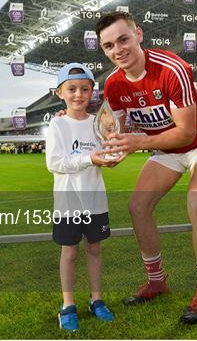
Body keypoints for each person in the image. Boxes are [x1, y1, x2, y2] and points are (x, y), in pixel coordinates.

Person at [96, 11, 197, 324]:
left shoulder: (172, 68)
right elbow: (120, 128)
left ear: (138, 34)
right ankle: (156, 281)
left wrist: (137, 143)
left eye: (123, 39)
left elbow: (186, 133)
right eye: (109, 45)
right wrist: (114, 148)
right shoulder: (113, 84)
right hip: (164, 149)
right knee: (138, 207)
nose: (118, 50)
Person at [46, 63, 117, 332]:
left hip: (95, 199)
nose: (78, 94)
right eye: (72, 89)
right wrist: (91, 157)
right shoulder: (58, 123)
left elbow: (105, 152)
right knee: (70, 252)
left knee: (95, 249)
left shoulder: (98, 123)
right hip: (69, 202)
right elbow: (55, 163)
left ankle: (96, 300)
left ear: (92, 92)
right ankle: (68, 305)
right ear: (60, 92)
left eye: (84, 89)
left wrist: (110, 157)